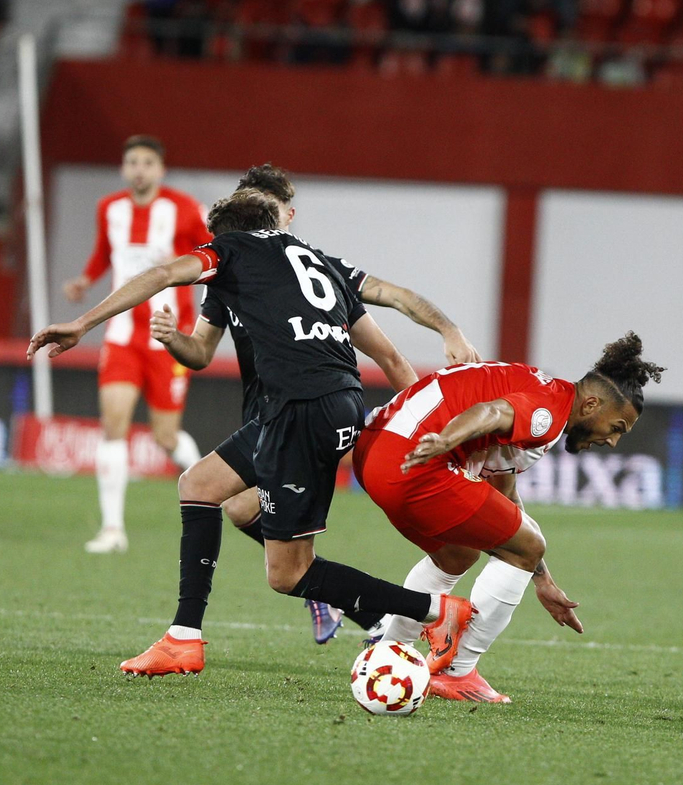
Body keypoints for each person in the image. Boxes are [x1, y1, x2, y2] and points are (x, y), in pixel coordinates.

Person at [29, 190, 475, 678]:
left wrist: (82, 323)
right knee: (200, 486)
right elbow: (394, 313)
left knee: (289, 573)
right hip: (327, 401)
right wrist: (447, 339)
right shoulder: (318, 260)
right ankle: (183, 637)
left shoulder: (232, 249)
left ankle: (434, 611)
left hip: (301, 409)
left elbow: (161, 274)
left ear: (225, 235)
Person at [149, 163, 481, 644]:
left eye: (273, 208)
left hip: (302, 417)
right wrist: (172, 338)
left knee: (274, 554)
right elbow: (200, 351)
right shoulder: (230, 270)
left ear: (288, 214)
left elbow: (388, 352)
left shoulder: (317, 270)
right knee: (237, 508)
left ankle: (391, 609)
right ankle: (338, 599)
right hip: (269, 420)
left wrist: (425, 425)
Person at [354, 334, 666, 703]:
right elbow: (491, 413)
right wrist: (446, 440)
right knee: (528, 544)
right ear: (591, 404)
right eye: (616, 428)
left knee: (458, 554)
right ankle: (457, 672)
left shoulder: (542, 388)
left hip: (376, 454)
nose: (612, 441)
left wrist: (543, 580)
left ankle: (389, 651)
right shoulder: (547, 413)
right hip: (415, 460)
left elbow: (504, 498)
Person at [62, 135, 209, 554]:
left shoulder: (184, 208)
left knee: (166, 437)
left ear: (160, 169)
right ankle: (112, 530)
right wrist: (85, 281)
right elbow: (105, 253)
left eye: (147, 162)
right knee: (113, 425)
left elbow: (213, 254)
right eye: (132, 162)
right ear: (123, 168)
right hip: (122, 335)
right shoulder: (109, 208)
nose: (139, 170)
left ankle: (211, 488)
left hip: (168, 336)